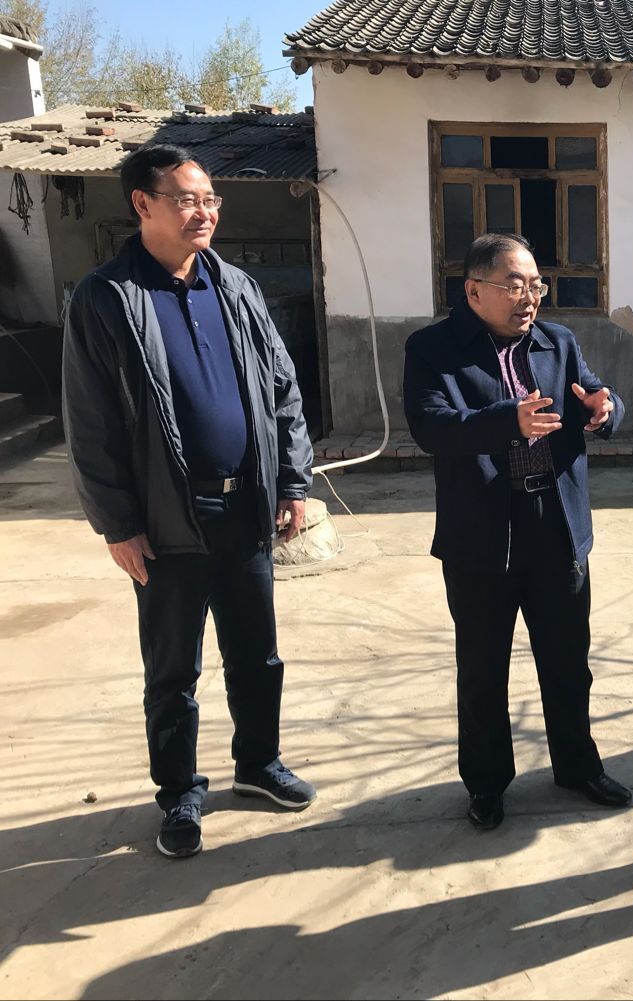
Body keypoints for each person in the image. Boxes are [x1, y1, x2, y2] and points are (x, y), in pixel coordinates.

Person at [62, 144, 316, 860]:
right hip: (168, 519)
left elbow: (282, 388)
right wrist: (117, 523)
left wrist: (292, 479)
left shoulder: (234, 286)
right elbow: (90, 421)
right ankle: (178, 793)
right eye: (186, 199)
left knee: (257, 655)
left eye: (210, 199)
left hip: (246, 511)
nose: (203, 212)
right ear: (142, 204)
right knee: (174, 670)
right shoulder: (108, 298)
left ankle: (258, 765)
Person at [403, 233, 631, 832]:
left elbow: (593, 393)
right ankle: (486, 783)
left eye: (535, 284)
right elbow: (431, 426)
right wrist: (510, 420)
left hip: (555, 524)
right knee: (483, 668)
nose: (529, 297)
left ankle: (577, 767)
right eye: (514, 285)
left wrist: (606, 409)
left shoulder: (558, 341)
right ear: (474, 291)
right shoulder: (432, 349)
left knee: (568, 661)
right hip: (483, 534)